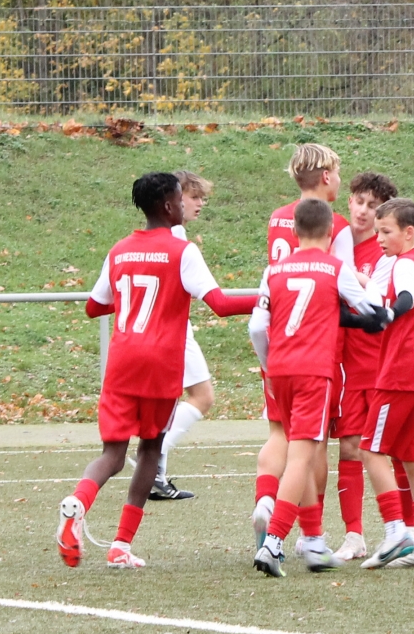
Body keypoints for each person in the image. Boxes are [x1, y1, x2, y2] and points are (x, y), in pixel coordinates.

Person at [56, 173, 256, 569]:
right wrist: (268, 297)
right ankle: (120, 545)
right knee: (150, 448)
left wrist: (130, 298)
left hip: (122, 361)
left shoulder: (120, 250)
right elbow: (219, 304)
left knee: (112, 455)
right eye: (181, 199)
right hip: (160, 364)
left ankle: (78, 500)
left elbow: (94, 307)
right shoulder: (182, 251)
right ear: (168, 205)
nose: (184, 205)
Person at [249, 199, 387, 576]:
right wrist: (373, 293)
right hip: (314, 371)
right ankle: (274, 542)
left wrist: (269, 365)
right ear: (330, 233)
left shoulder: (273, 270)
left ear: (294, 232)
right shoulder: (335, 267)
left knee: (302, 452)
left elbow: (257, 326)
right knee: (302, 457)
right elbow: (369, 308)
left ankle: (313, 540)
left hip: (280, 372)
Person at [360, 198, 414, 570]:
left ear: (408, 232)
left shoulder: (404, 264)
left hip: (404, 372)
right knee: (413, 457)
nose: (379, 239)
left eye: (386, 231)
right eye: (377, 232)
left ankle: (396, 530)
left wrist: (390, 312)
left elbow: (407, 298)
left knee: (371, 449)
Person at [334, 171, 400, 560]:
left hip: (381, 363)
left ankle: (410, 530)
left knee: (395, 449)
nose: (362, 211)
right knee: (349, 447)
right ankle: (353, 535)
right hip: (345, 366)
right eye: (359, 201)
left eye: (372, 206)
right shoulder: (333, 244)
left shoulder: (386, 253)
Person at [147, 169, 217, 502]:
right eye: (194, 196)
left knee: (167, 403)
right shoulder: (177, 241)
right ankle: (154, 461)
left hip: (153, 330)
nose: (199, 203)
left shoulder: (158, 236)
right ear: (173, 201)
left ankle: (155, 470)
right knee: (202, 396)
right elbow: (218, 301)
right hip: (173, 330)